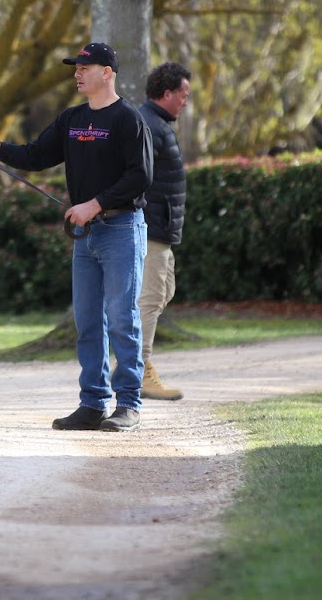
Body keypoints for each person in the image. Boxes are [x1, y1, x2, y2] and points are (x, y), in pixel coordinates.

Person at [0, 42, 153, 432]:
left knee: (121, 320)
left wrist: (93, 204)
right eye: (75, 67)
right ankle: (93, 403)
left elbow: (140, 176)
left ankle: (129, 404)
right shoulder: (72, 119)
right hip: (86, 236)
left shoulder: (128, 120)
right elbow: (34, 155)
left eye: (85, 67)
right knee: (87, 322)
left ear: (108, 72)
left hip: (121, 230)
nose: (77, 73)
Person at [137, 62, 192, 401]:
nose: (185, 102)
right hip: (150, 228)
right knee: (150, 297)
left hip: (161, 229)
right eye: (183, 96)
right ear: (167, 93)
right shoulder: (149, 125)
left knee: (162, 292)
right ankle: (140, 370)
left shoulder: (157, 124)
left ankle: (132, 364)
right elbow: (136, 176)